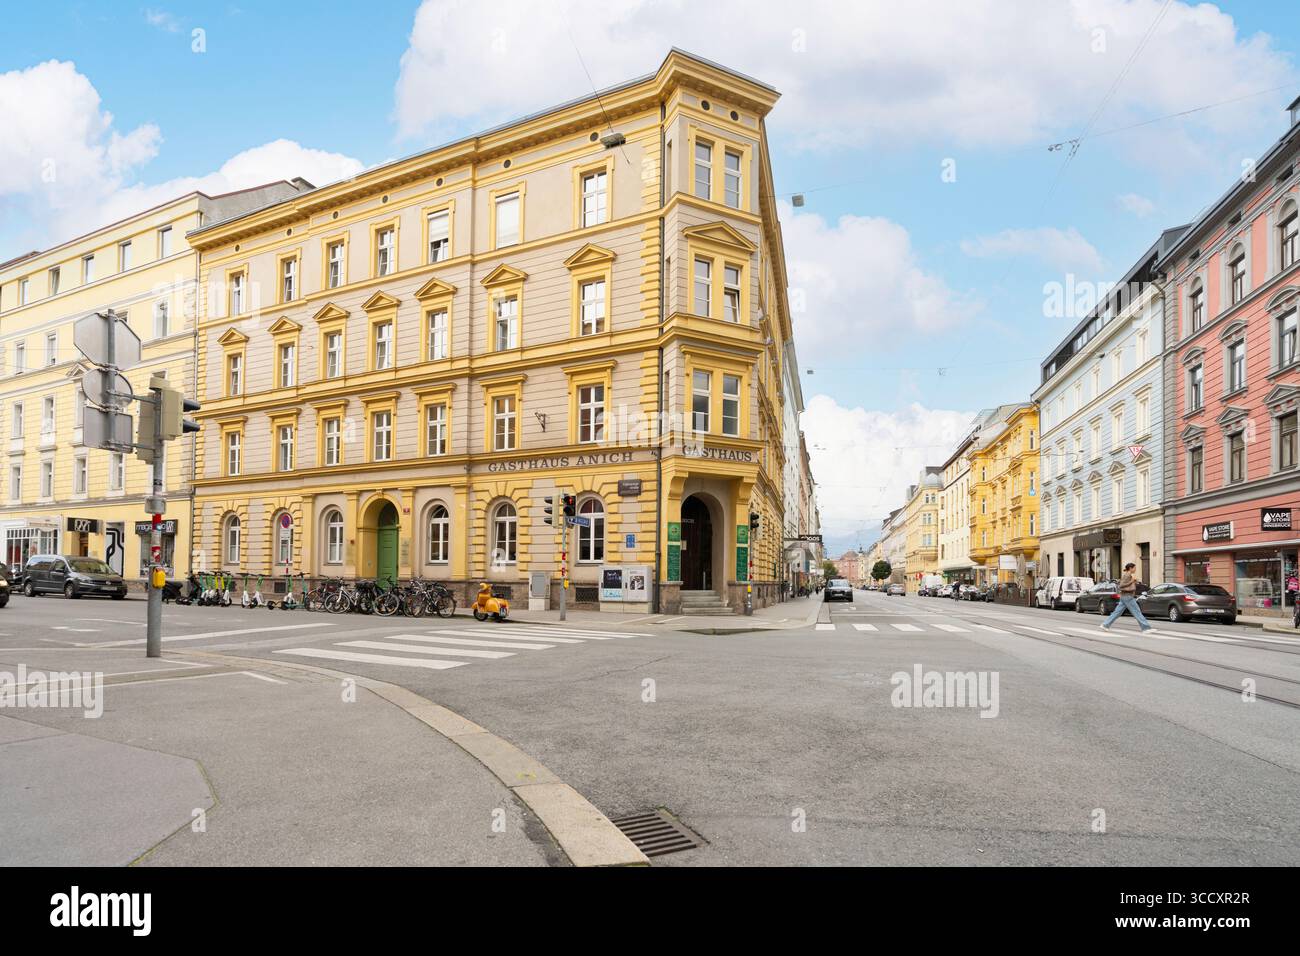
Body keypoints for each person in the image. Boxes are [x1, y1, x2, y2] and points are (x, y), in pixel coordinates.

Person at [1100, 562, 1153, 633]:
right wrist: (1132, 581)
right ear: (1131, 568)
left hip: (1124, 596)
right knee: (1137, 612)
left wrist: (1134, 582)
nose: (1135, 569)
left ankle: (1105, 625)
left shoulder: (1128, 575)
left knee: (1117, 612)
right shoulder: (1127, 575)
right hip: (1128, 597)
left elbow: (1125, 584)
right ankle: (1146, 628)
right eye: (1134, 568)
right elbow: (1121, 585)